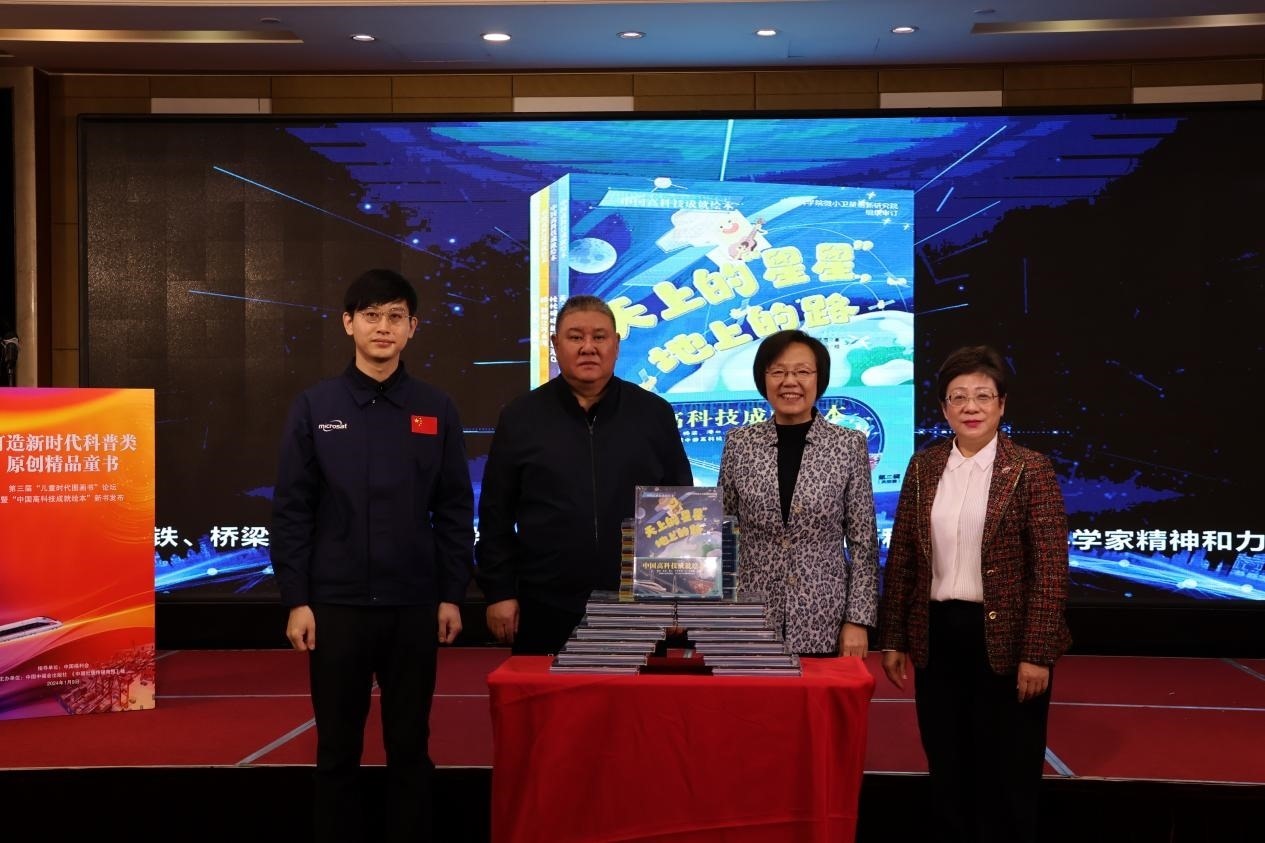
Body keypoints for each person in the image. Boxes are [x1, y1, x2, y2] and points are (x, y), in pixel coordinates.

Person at [271, 269, 474, 842]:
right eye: (370, 316)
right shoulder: (315, 407)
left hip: (414, 606)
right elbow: (292, 510)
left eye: (395, 317)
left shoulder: (435, 407)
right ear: (348, 324)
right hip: (335, 608)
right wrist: (297, 600)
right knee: (337, 749)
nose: (382, 327)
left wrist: (451, 595)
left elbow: (454, 510)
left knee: (410, 746)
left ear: (412, 328)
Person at [877, 344, 1070, 843]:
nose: (970, 407)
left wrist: (1036, 654)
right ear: (944, 408)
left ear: (1002, 404)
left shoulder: (1030, 468)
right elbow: (904, 557)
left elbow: (1050, 569)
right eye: (958, 396)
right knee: (948, 762)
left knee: (1009, 769)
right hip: (938, 635)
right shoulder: (924, 467)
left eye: (983, 396)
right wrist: (893, 637)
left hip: (1006, 641)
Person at [476, 294, 692, 654]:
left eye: (599, 337)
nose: (588, 347)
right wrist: (499, 592)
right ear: (555, 344)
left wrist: (679, 597)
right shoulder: (520, 417)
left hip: (638, 602)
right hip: (544, 602)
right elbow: (495, 514)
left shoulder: (653, 414)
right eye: (575, 337)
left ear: (616, 345)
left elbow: (682, 508)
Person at [718, 329, 879, 656]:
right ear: (763, 379)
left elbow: (863, 542)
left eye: (803, 372)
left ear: (820, 379)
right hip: (751, 616)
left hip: (825, 619)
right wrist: (713, 611)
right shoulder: (739, 443)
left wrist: (858, 620)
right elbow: (723, 531)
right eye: (778, 371)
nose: (789, 381)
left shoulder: (848, 445)